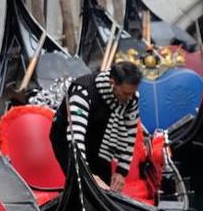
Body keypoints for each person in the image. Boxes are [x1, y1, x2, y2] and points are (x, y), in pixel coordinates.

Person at [49, 60, 143, 193]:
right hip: (66, 137)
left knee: (104, 187)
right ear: (112, 83)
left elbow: (130, 132)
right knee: (81, 183)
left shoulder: (131, 98)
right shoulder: (83, 92)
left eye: (133, 93)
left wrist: (122, 171)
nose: (130, 98)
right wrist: (87, 175)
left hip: (100, 137)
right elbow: (76, 137)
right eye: (126, 94)